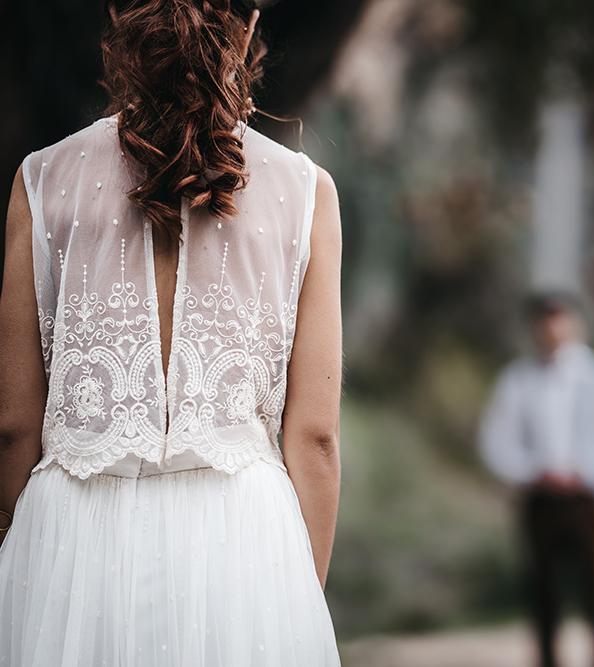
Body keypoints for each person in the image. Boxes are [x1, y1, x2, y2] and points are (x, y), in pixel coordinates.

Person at [0, 1, 343, 664]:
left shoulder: (41, 180)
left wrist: (18, 554)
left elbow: (14, 423)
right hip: (241, 544)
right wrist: (297, 591)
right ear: (245, 28)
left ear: (124, 28)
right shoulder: (305, 192)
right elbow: (317, 437)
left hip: (71, 542)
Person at [479, 290, 594, 667]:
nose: (553, 329)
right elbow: (496, 441)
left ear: (577, 323)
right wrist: (533, 472)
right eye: (545, 321)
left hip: (590, 500)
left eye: (560, 319)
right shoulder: (518, 380)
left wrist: (586, 473)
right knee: (543, 596)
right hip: (540, 501)